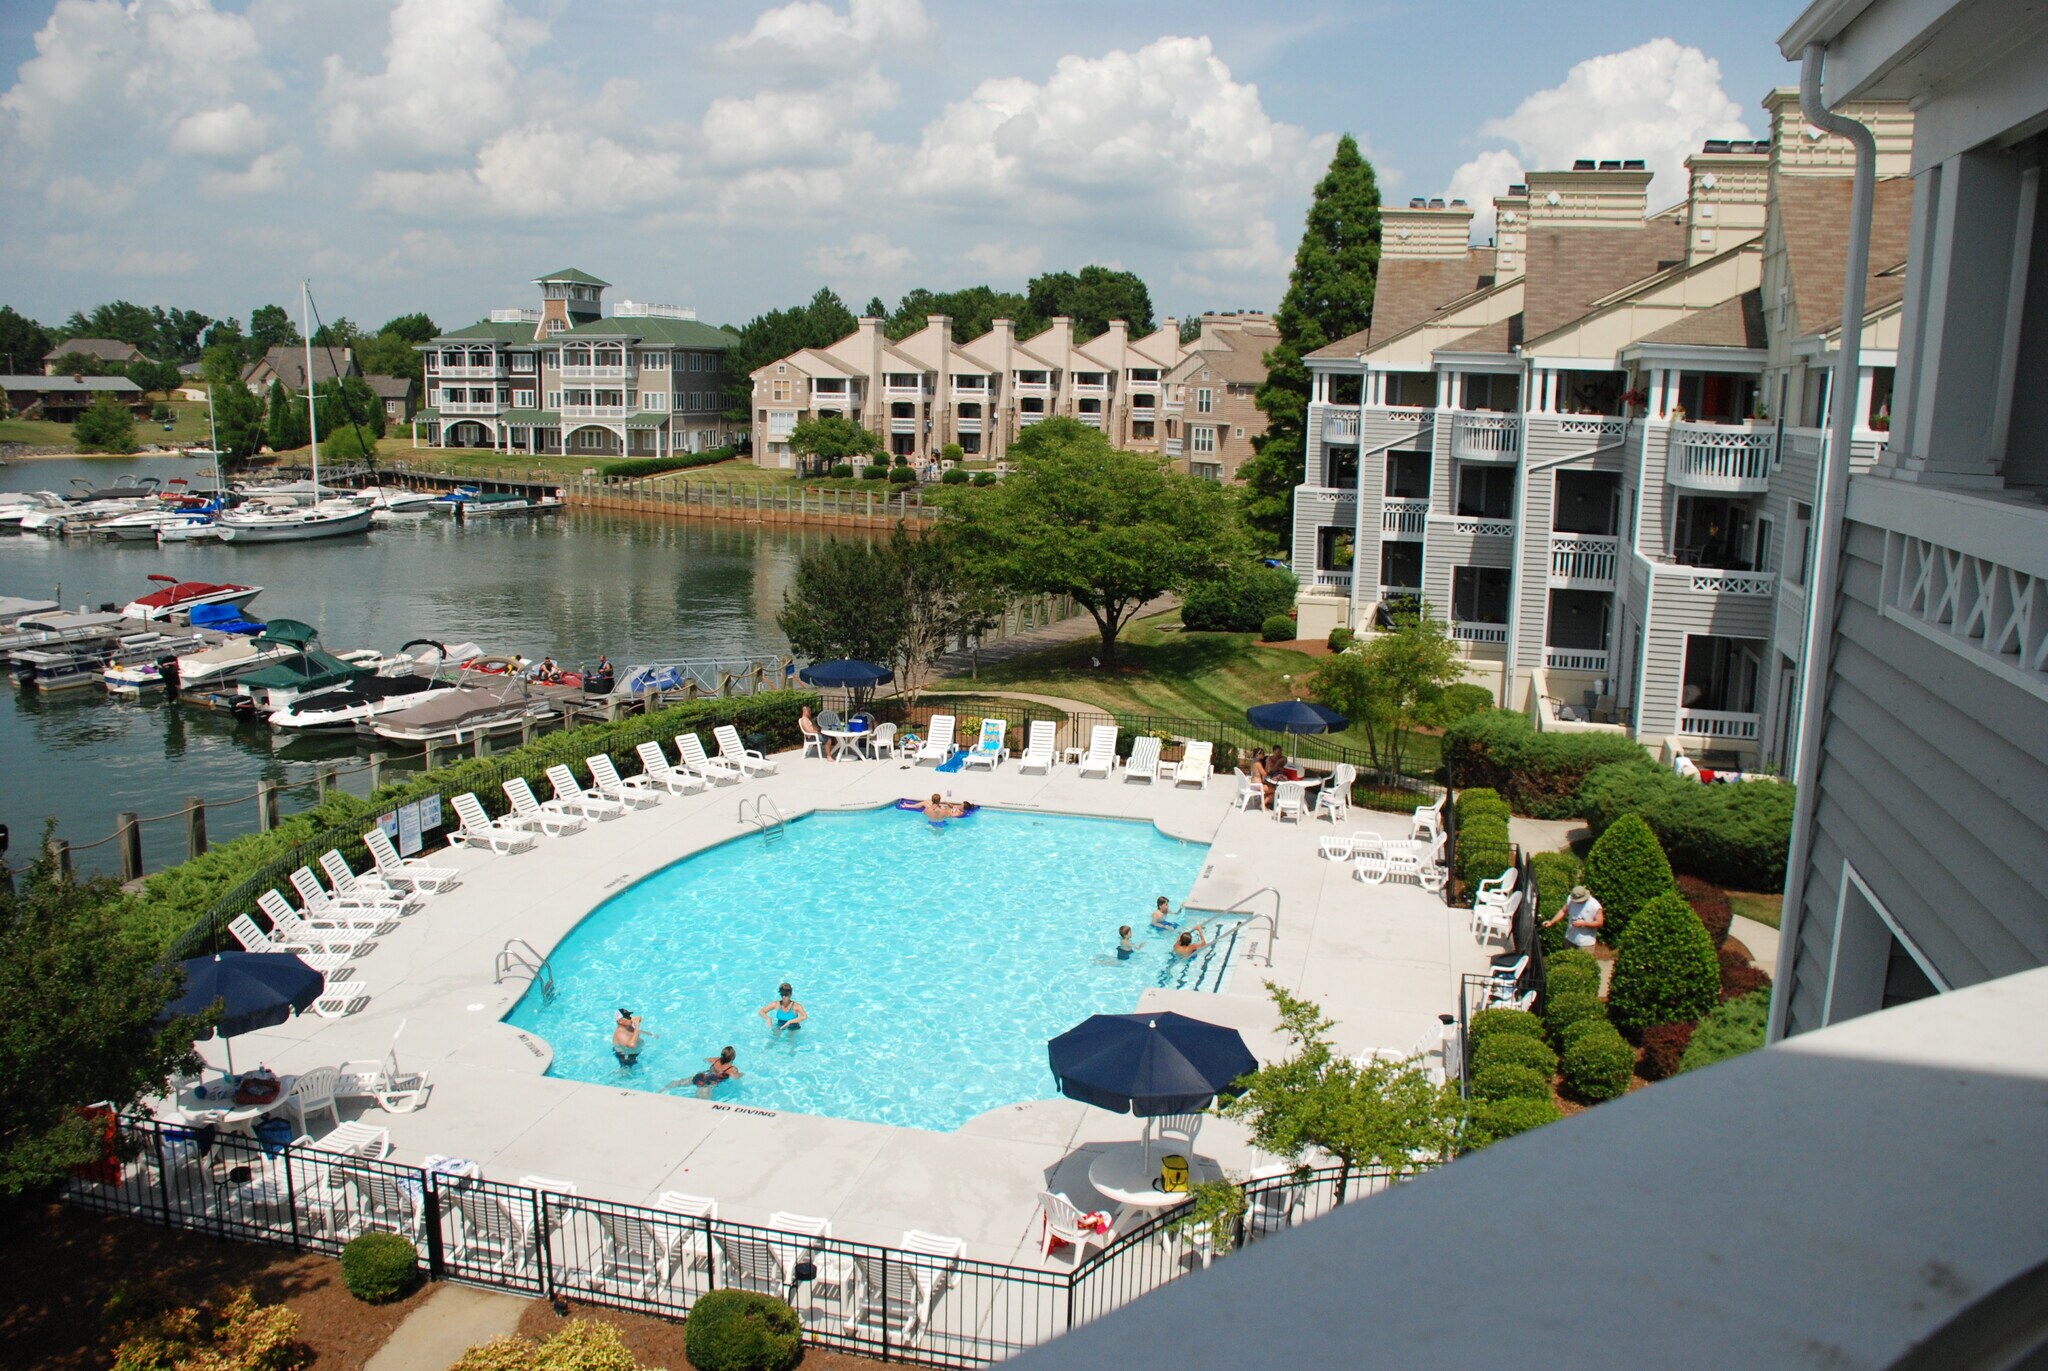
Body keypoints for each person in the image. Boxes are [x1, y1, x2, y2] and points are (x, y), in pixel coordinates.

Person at [674, 1046, 742, 1093]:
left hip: (702, 1075)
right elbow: (736, 1077)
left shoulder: (715, 1059)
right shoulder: (731, 1068)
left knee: (679, 1082)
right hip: (711, 1081)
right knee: (702, 1097)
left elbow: (705, 1060)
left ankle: (664, 1090)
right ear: (733, 1058)